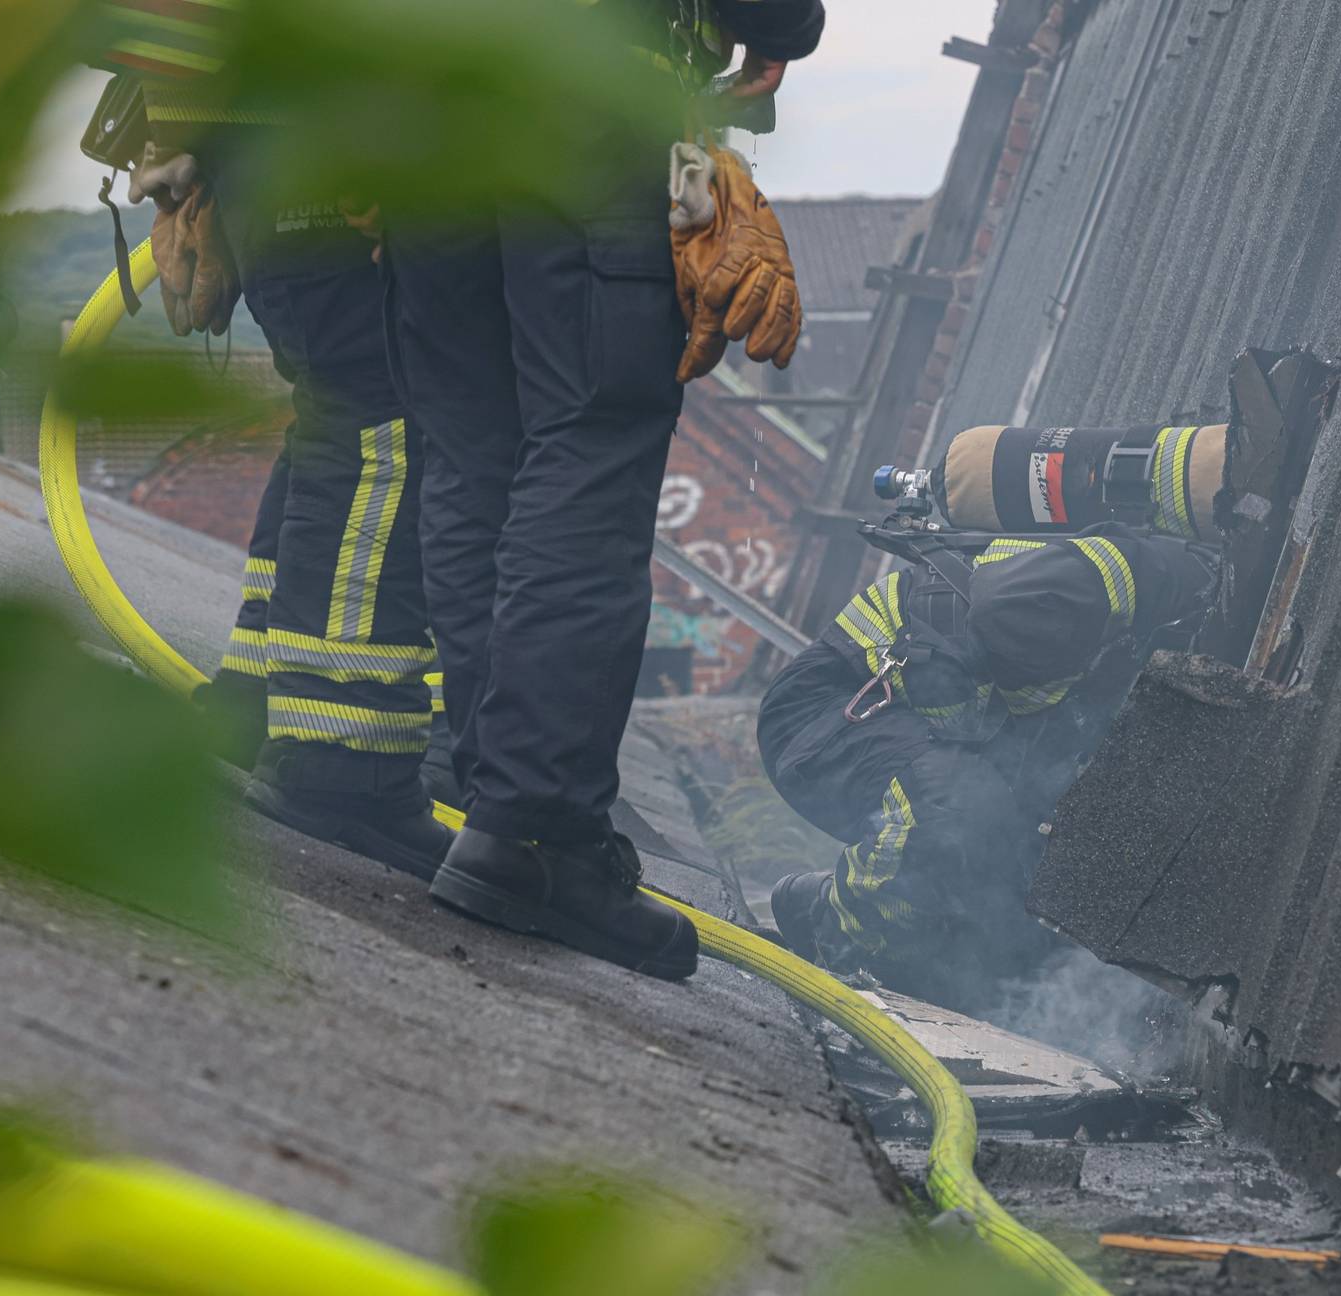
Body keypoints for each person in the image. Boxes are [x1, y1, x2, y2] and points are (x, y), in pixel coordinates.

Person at [385, 1, 821, 979]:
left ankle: (495, 792)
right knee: (589, 445)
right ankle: (534, 833)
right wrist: (780, 26)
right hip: (582, 97)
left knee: (471, 453)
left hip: (420, 111)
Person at [79, 70, 448, 880]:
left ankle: (257, 699)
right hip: (332, 159)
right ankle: (343, 756)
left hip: (276, 160)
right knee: (383, 432)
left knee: (339, 419)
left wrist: (199, 152)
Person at [758, 526, 1220, 1010]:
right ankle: (833, 927)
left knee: (1012, 913)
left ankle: (898, 947)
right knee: (957, 809)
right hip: (831, 708)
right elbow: (1004, 605)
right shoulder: (1159, 583)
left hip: (936, 744)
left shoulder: (1160, 655)